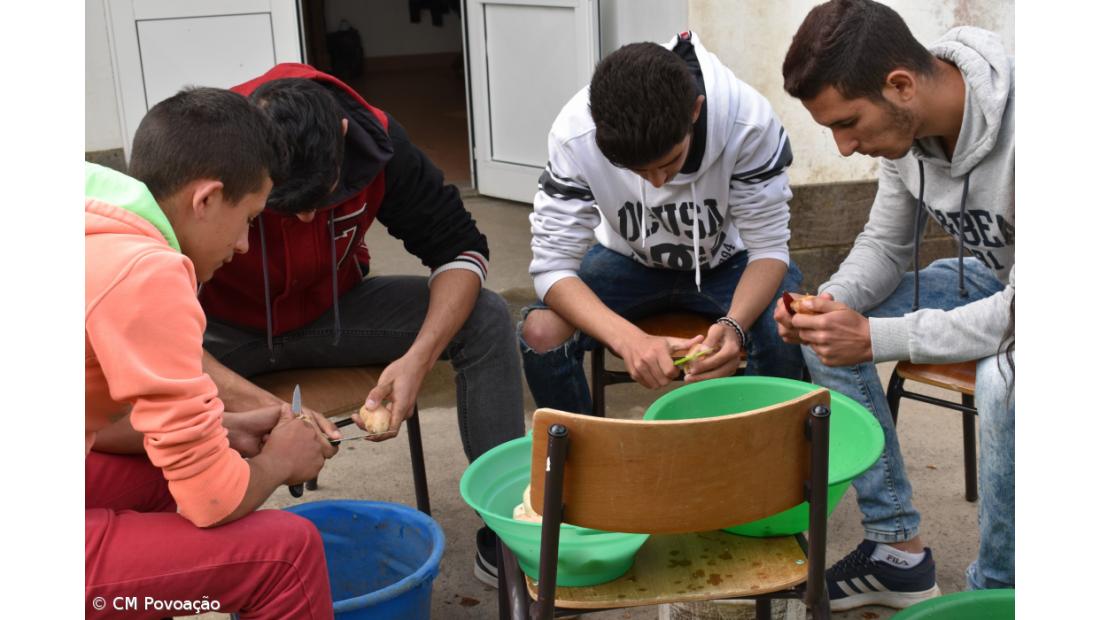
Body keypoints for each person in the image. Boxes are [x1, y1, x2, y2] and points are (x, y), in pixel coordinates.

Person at [196, 63, 526, 586]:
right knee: (130, 376)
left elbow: (459, 247)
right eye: (283, 205)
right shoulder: (206, 149)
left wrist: (418, 359)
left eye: (322, 198)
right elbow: (152, 324)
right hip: (221, 332)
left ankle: (509, 528)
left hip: (336, 312)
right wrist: (271, 409)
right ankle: (182, 562)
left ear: (343, 137)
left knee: (485, 316)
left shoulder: (379, 141)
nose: (306, 219)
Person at [778, 0, 1014, 610]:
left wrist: (879, 338)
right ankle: (896, 552)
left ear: (901, 86)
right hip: (995, 278)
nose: (843, 147)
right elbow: (884, 246)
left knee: (1005, 382)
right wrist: (827, 304)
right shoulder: (905, 140)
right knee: (827, 330)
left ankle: (1001, 591)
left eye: (848, 123)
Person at [85, 87, 336, 618]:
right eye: (249, 218)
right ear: (206, 199)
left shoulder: (93, 217)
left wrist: (221, 428)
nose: (244, 244)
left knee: (164, 480)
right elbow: (212, 502)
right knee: (287, 555)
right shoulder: (145, 272)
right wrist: (279, 461)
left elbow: (92, 429)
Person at [520, 32, 805, 415]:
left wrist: (735, 326)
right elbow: (552, 267)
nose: (657, 183)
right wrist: (627, 339)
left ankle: (761, 448)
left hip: (730, 263)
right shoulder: (575, 134)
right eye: (636, 170)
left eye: (670, 162)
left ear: (695, 111)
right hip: (627, 261)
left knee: (785, 329)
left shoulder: (747, 123)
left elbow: (769, 249)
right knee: (541, 333)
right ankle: (584, 451)